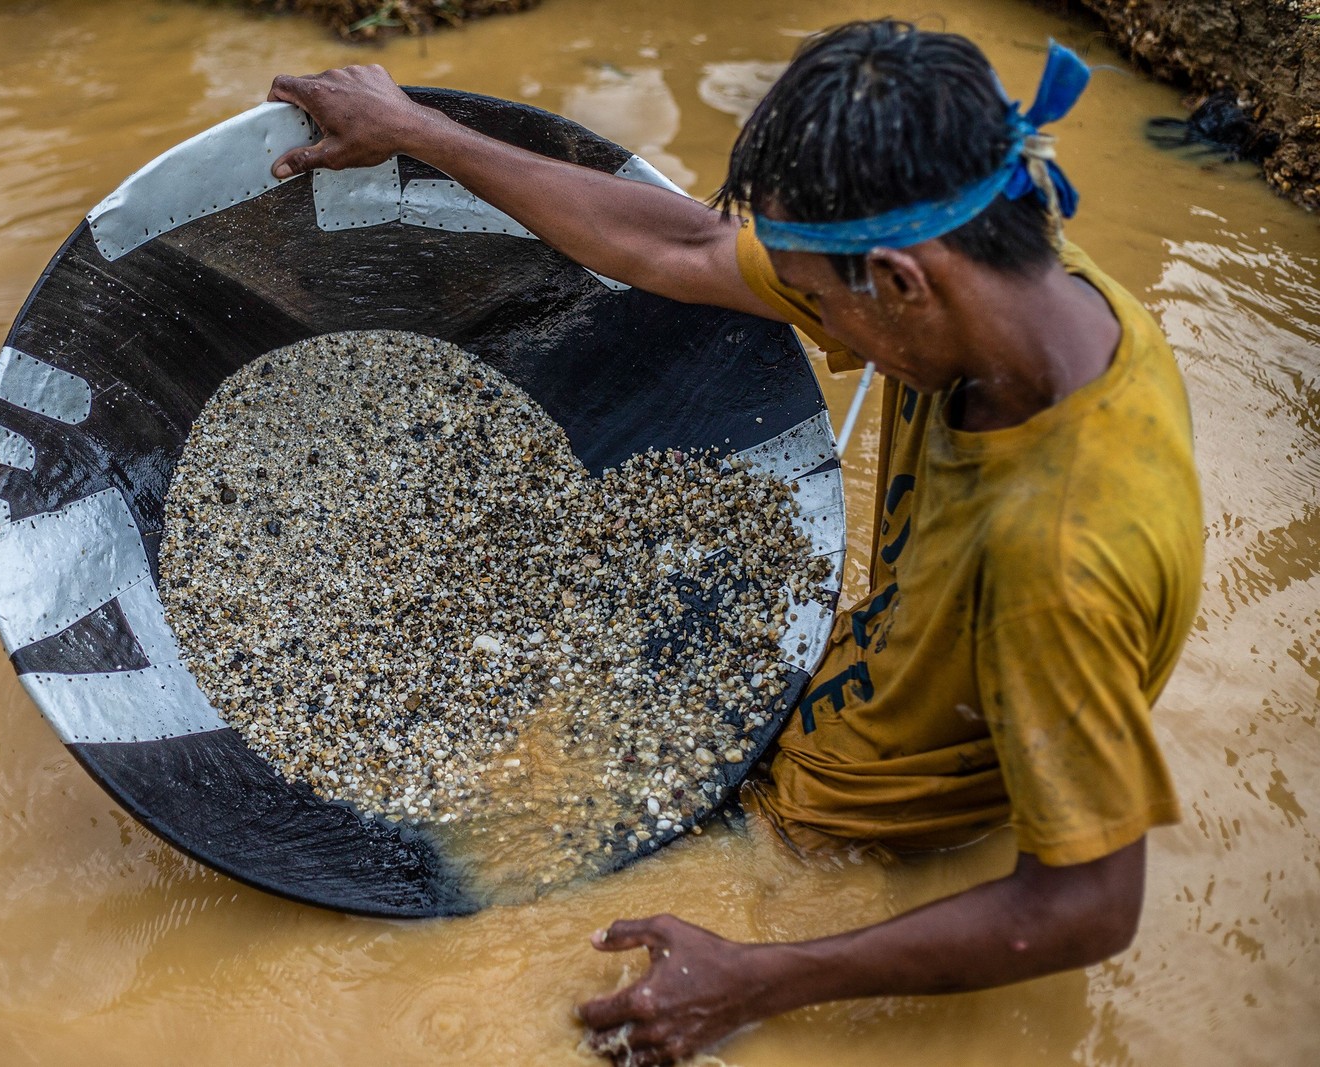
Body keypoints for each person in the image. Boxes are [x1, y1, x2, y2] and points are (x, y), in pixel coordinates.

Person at [267, 19, 1202, 1066]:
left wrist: (759, 977)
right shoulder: (1012, 271)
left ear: (899, 281)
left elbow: (1086, 905)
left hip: (834, 846)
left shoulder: (1060, 550)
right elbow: (687, 245)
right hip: (817, 717)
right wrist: (417, 129)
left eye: (811, 301)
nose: (814, 330)